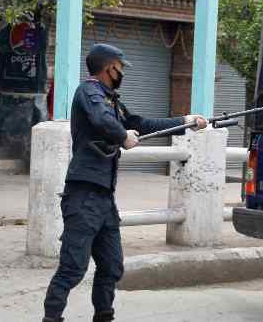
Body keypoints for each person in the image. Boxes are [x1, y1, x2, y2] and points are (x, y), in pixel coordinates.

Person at [42, 43, 208, 322]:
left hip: (104, 197)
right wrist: (122, 136)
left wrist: (186, 120)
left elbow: (139, 123)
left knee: (111, 266)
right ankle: (51, 318)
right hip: (83, 195)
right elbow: (101, 119)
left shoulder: (111, 99)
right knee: (73, 267)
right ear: (110, 68)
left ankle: (104, 316)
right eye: (120, 67)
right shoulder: (89, 92)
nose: (122, 72)